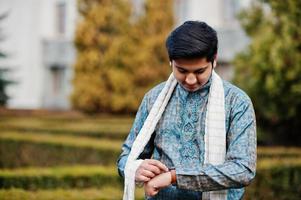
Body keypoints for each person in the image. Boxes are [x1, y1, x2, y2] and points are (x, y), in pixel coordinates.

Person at [117, 21, 256, 200]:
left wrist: (174, 177)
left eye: (199, 71)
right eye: (181, 70)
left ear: (214, 60)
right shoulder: (154, 98)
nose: (190, 79)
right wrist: (135, 168)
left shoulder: (237, 102)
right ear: (171, 61)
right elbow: (126, 158)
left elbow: (243, 169)